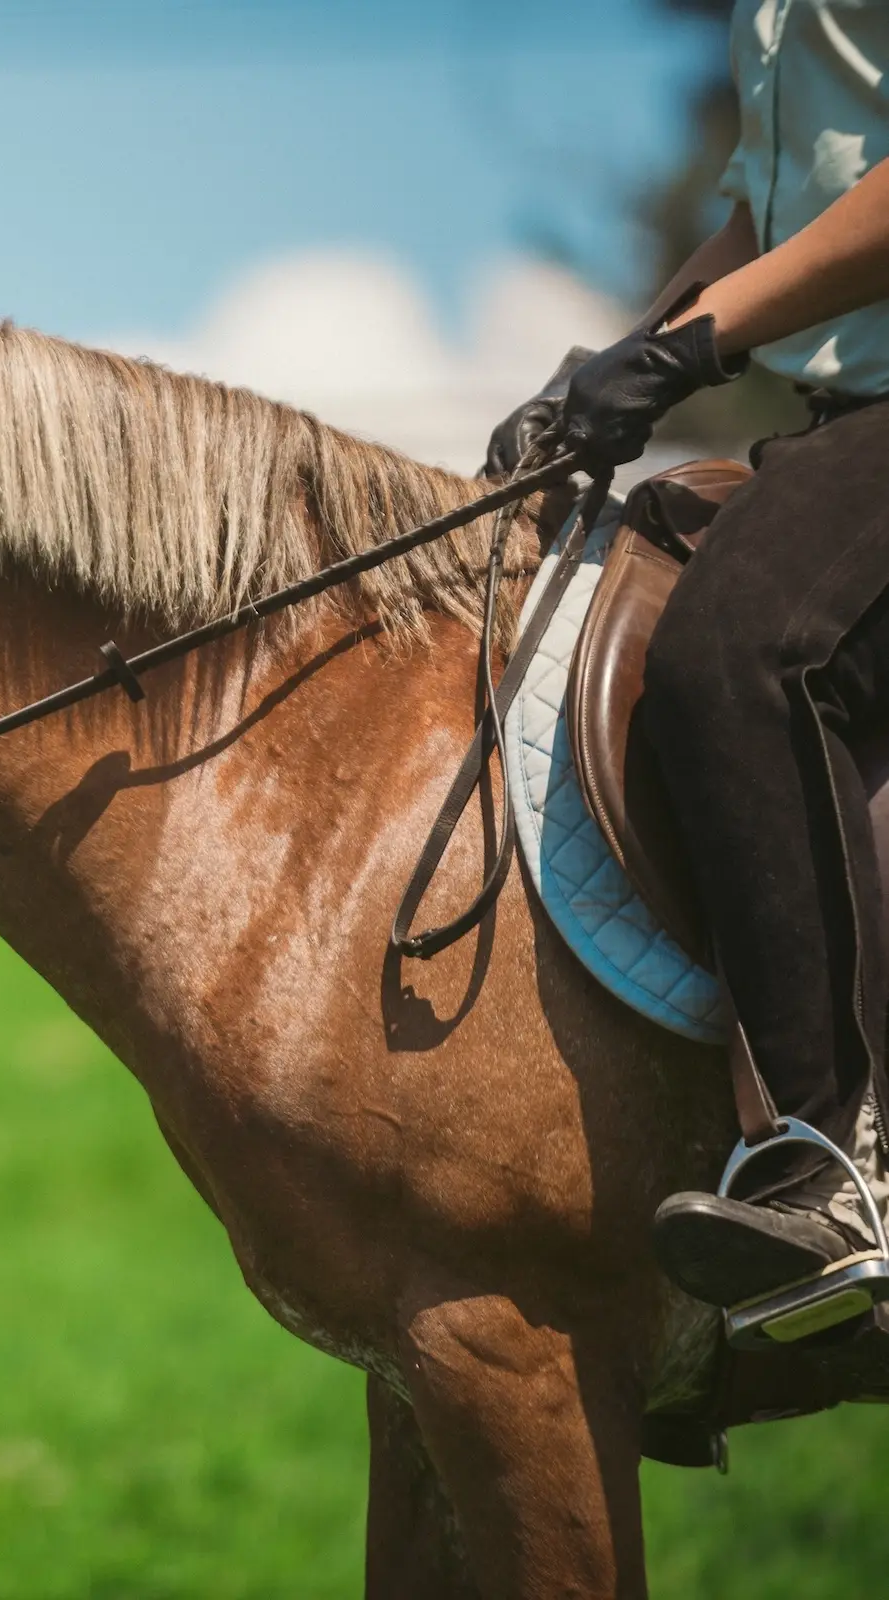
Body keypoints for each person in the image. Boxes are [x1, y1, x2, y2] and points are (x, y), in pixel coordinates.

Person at [488, 0, 889, 1321]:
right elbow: (773, 220)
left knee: (739, 647)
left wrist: (687, 350)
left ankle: (839, 1166)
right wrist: (622, 359)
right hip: (840, 417)